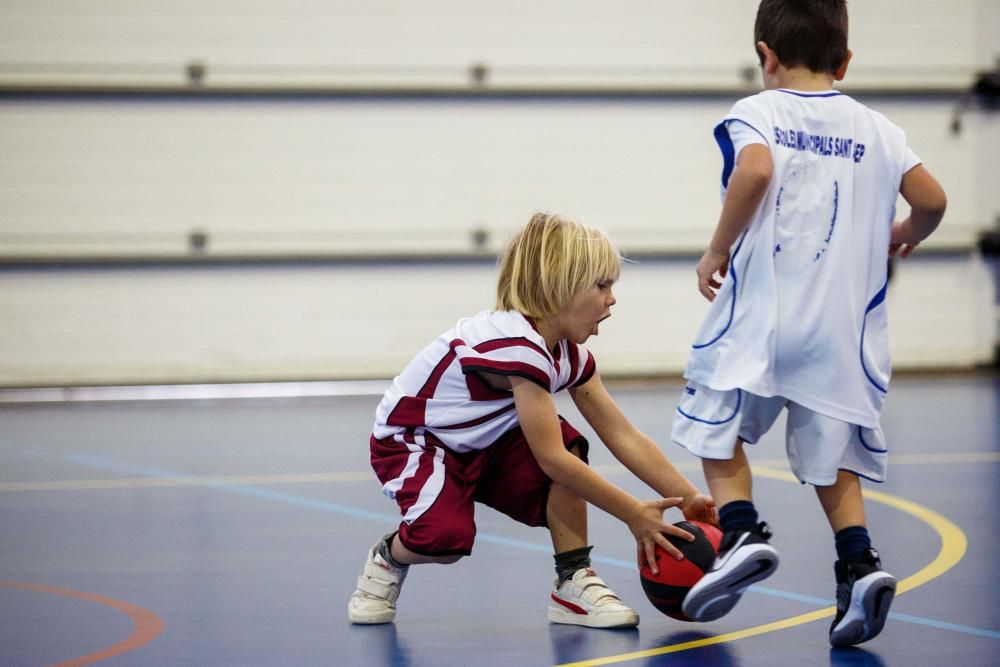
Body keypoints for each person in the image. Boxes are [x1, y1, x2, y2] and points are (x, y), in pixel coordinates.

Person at [670, 0, 947, 648]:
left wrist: (716, 247)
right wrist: (904, 232)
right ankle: (858, 561)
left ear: (765, 55)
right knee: (831, 459)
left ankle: (739, 530)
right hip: (840, 338)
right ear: (845, 61)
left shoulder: (759, 111)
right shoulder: (879, 129)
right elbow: (933, 199)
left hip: (764, 321)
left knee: (713, 421)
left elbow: (757, 168)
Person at [348, 212, 716, 628]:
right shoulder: (511, 344)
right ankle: (387, 557)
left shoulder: (569, 355)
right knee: (443, 541)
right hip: (418, 442)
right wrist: (632, 512)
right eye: (602, 285)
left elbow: (623, 434)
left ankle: (573, 581)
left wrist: (687, 498)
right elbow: (551, 460)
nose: (612, 299)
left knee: (570, 440)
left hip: (486, 441)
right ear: (558, 287)